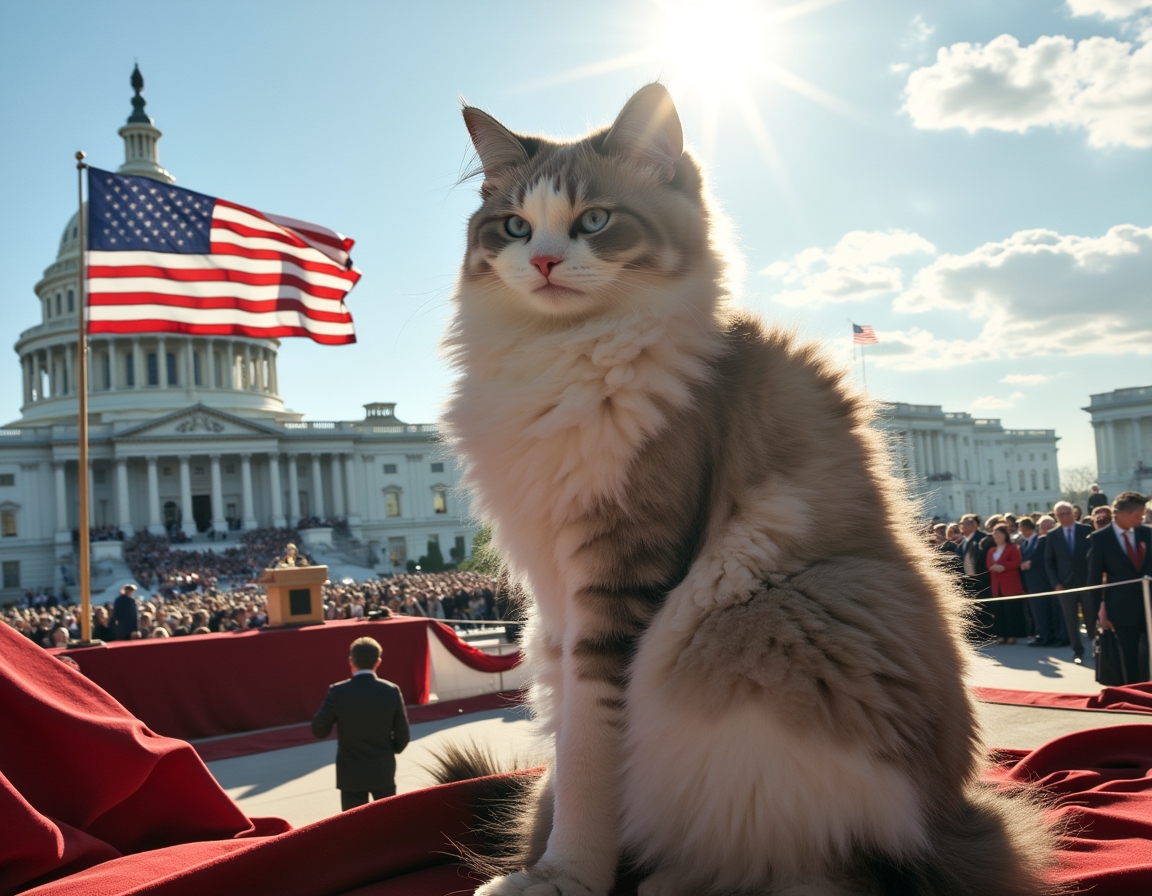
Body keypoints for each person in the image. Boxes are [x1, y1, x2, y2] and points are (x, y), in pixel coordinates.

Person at [311, 636, 410, 810]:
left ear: (351, 661)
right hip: (383, 770)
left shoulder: (338, 692)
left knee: (354, 830)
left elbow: (318, 729)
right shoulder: (391, 691)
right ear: (378, 662)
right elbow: (403, 737)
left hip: (350, 774)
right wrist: (387, 751)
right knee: (388, 824)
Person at [1090, 492, 1152, 684]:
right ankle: (1134, 695)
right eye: (1137, 515)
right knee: (1129, 655)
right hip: (1121, 607)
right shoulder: (1100, 538)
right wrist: (1099, 612)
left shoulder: (1147, 533)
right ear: (1122, 514)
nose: (1141, 519)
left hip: (1149, 604)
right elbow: (1093, 579)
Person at [1044, 501, 1094, 665]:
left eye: (1067, 513)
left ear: (1074, 513)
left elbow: (1094, 557)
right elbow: (1049, 562)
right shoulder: (1052, 535)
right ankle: (1077, 651)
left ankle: (1096, 647)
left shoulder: (1086, 530)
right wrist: (1055, 583)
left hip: (1086, 582)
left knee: (1091, 617)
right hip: (1065, 585)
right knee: (1071, 620)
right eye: (1060, 514)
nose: (1064, 517)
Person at [1020, 518, 1064, 648]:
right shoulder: (1034, 541)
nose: (1045, 531)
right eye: (1043, 528)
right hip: (1034, 582)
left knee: (1052, 611)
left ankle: (1054, 636)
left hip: (1048, 581)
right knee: (1039, 611)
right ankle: (1043, 635)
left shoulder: (1054, 540)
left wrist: (1031, 563)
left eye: (1048, 528)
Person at [986, 524, 1026, 644]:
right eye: (995, 534)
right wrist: (994, 567)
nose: (996, 536)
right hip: (997, 584)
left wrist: (1004, 566)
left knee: (1011, 611)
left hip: (1010, 583)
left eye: (999, 533)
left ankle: (1012, 635)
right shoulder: (992, 550)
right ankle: (1001, 635)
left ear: (1005, 535)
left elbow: (1016, 562)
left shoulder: (1012, 548)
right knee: (999, 611)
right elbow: (988, 564)